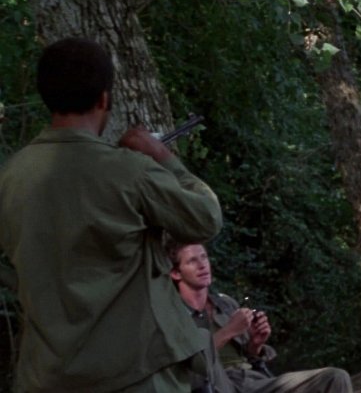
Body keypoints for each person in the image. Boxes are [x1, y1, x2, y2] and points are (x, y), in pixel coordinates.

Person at [0, 38, 223, 392]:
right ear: (104, 98)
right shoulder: (128, 171)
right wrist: (162, 157)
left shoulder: (10, 177)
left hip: (45, 377)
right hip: (135, 374)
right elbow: (206, 218)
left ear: (46, 96)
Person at [170, 241, 354, 393]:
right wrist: (229, 331)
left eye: (204, 257)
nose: (202, 265)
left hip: (251, 381)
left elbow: (251, 359)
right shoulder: (172, 315)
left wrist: (255, 344)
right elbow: (184, 368)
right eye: (192, 261)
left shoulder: (226, 304)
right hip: (215, 384)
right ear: (176, 273)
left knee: (335, 377)